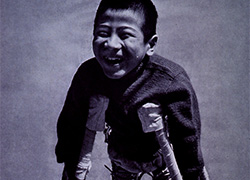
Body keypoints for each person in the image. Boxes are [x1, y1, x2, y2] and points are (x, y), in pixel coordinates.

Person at [55, 0, 209, 179]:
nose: (111, 44)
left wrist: (193, 174)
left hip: (161, 158)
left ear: (150, 45)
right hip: (121, 156)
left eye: (125, 35)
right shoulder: (88, 76)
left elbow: (187, 138)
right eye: (102, 33)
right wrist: (69, 162)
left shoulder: (170, 81)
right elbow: (72, 122)